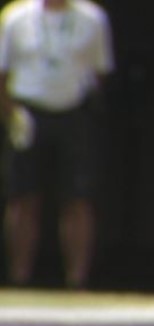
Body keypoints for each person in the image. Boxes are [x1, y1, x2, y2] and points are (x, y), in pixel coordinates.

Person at [0, 0, 113, 289]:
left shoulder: (92, 18)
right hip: (27, 111)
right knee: (23, 196)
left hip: (74, 111)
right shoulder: (15, 16)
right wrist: (12, 113)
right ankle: (19, 278)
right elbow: (2, 72)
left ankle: (77, 281)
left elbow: (100, 72)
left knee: (78, 198)